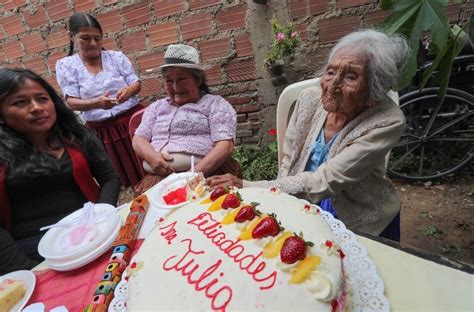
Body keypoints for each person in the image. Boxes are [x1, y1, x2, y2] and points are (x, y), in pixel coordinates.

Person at [207, 29, 410, 241]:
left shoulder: (387, 120)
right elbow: (289, 160)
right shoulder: (309, 100)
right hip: (302, 197)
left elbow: (326, 180)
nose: (332, 86)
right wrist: (278, 202)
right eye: (330, 72)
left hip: (360, 214)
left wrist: (247, 186)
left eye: (351, 77)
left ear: (375, 90)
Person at [0, 68, 120, 274]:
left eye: (42, 98)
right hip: (31, 250)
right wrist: (27, 270)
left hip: (91, 231)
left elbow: (110, 178)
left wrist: (101, 220)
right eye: (20, 102)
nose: (37, 108)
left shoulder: (76, 135)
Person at [132, 44, 240, 194]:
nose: (175, 86)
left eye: (182, 79)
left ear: (198, 80)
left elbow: (225, 145)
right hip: (159, 179)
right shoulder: (156, 108)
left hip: (206, 175)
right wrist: (152, 157)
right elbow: (138, 138)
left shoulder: (215, 104)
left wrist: (192, 176)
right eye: (169, 81)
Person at [56, 13, 143, 187]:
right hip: (103, 132)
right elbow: (72, 102)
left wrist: (128, 90)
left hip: (132, 122)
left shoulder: (116, 57)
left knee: (147, 166)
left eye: (97, 38)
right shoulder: (66, 66)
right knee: (123, 176)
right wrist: (97, 103)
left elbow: (136, 82)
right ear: (72, 37)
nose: (93, 43)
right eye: (85, 38)